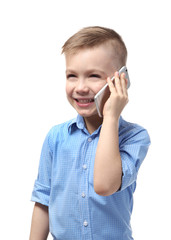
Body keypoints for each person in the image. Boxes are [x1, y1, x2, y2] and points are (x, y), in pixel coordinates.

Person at [29, 26, 150, 240]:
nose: (81, 87)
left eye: (94, 76)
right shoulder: (56, 137)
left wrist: (111, 117)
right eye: (72, 76)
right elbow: (43, 199)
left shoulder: (135, 137)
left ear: (121, 80)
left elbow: (104, 185)